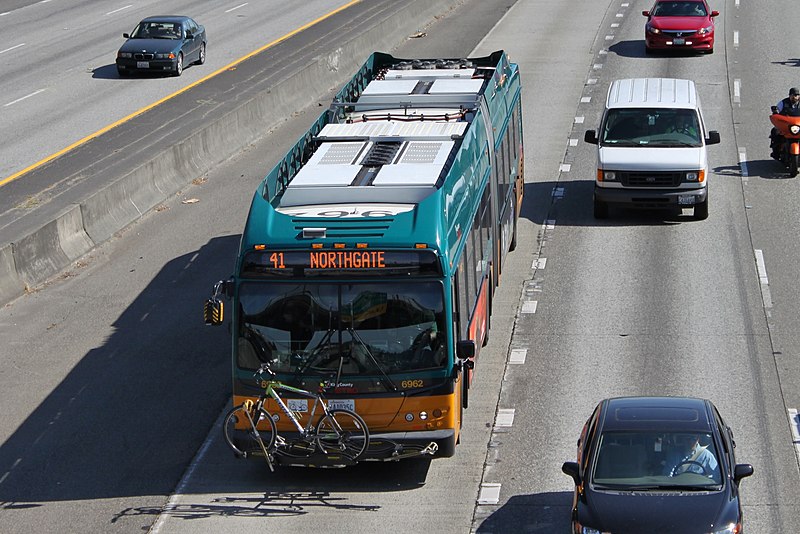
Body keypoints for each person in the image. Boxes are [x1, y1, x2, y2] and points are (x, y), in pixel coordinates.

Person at [770, 87, 800, 159]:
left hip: (798, 126)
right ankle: (776, 152)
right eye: (793, 95)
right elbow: (777, 112)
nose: (794, 97)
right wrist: (775, 112)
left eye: (796, 95)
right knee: (775, 131)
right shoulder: (783, 103)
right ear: (789, 95)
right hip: (787, 127)